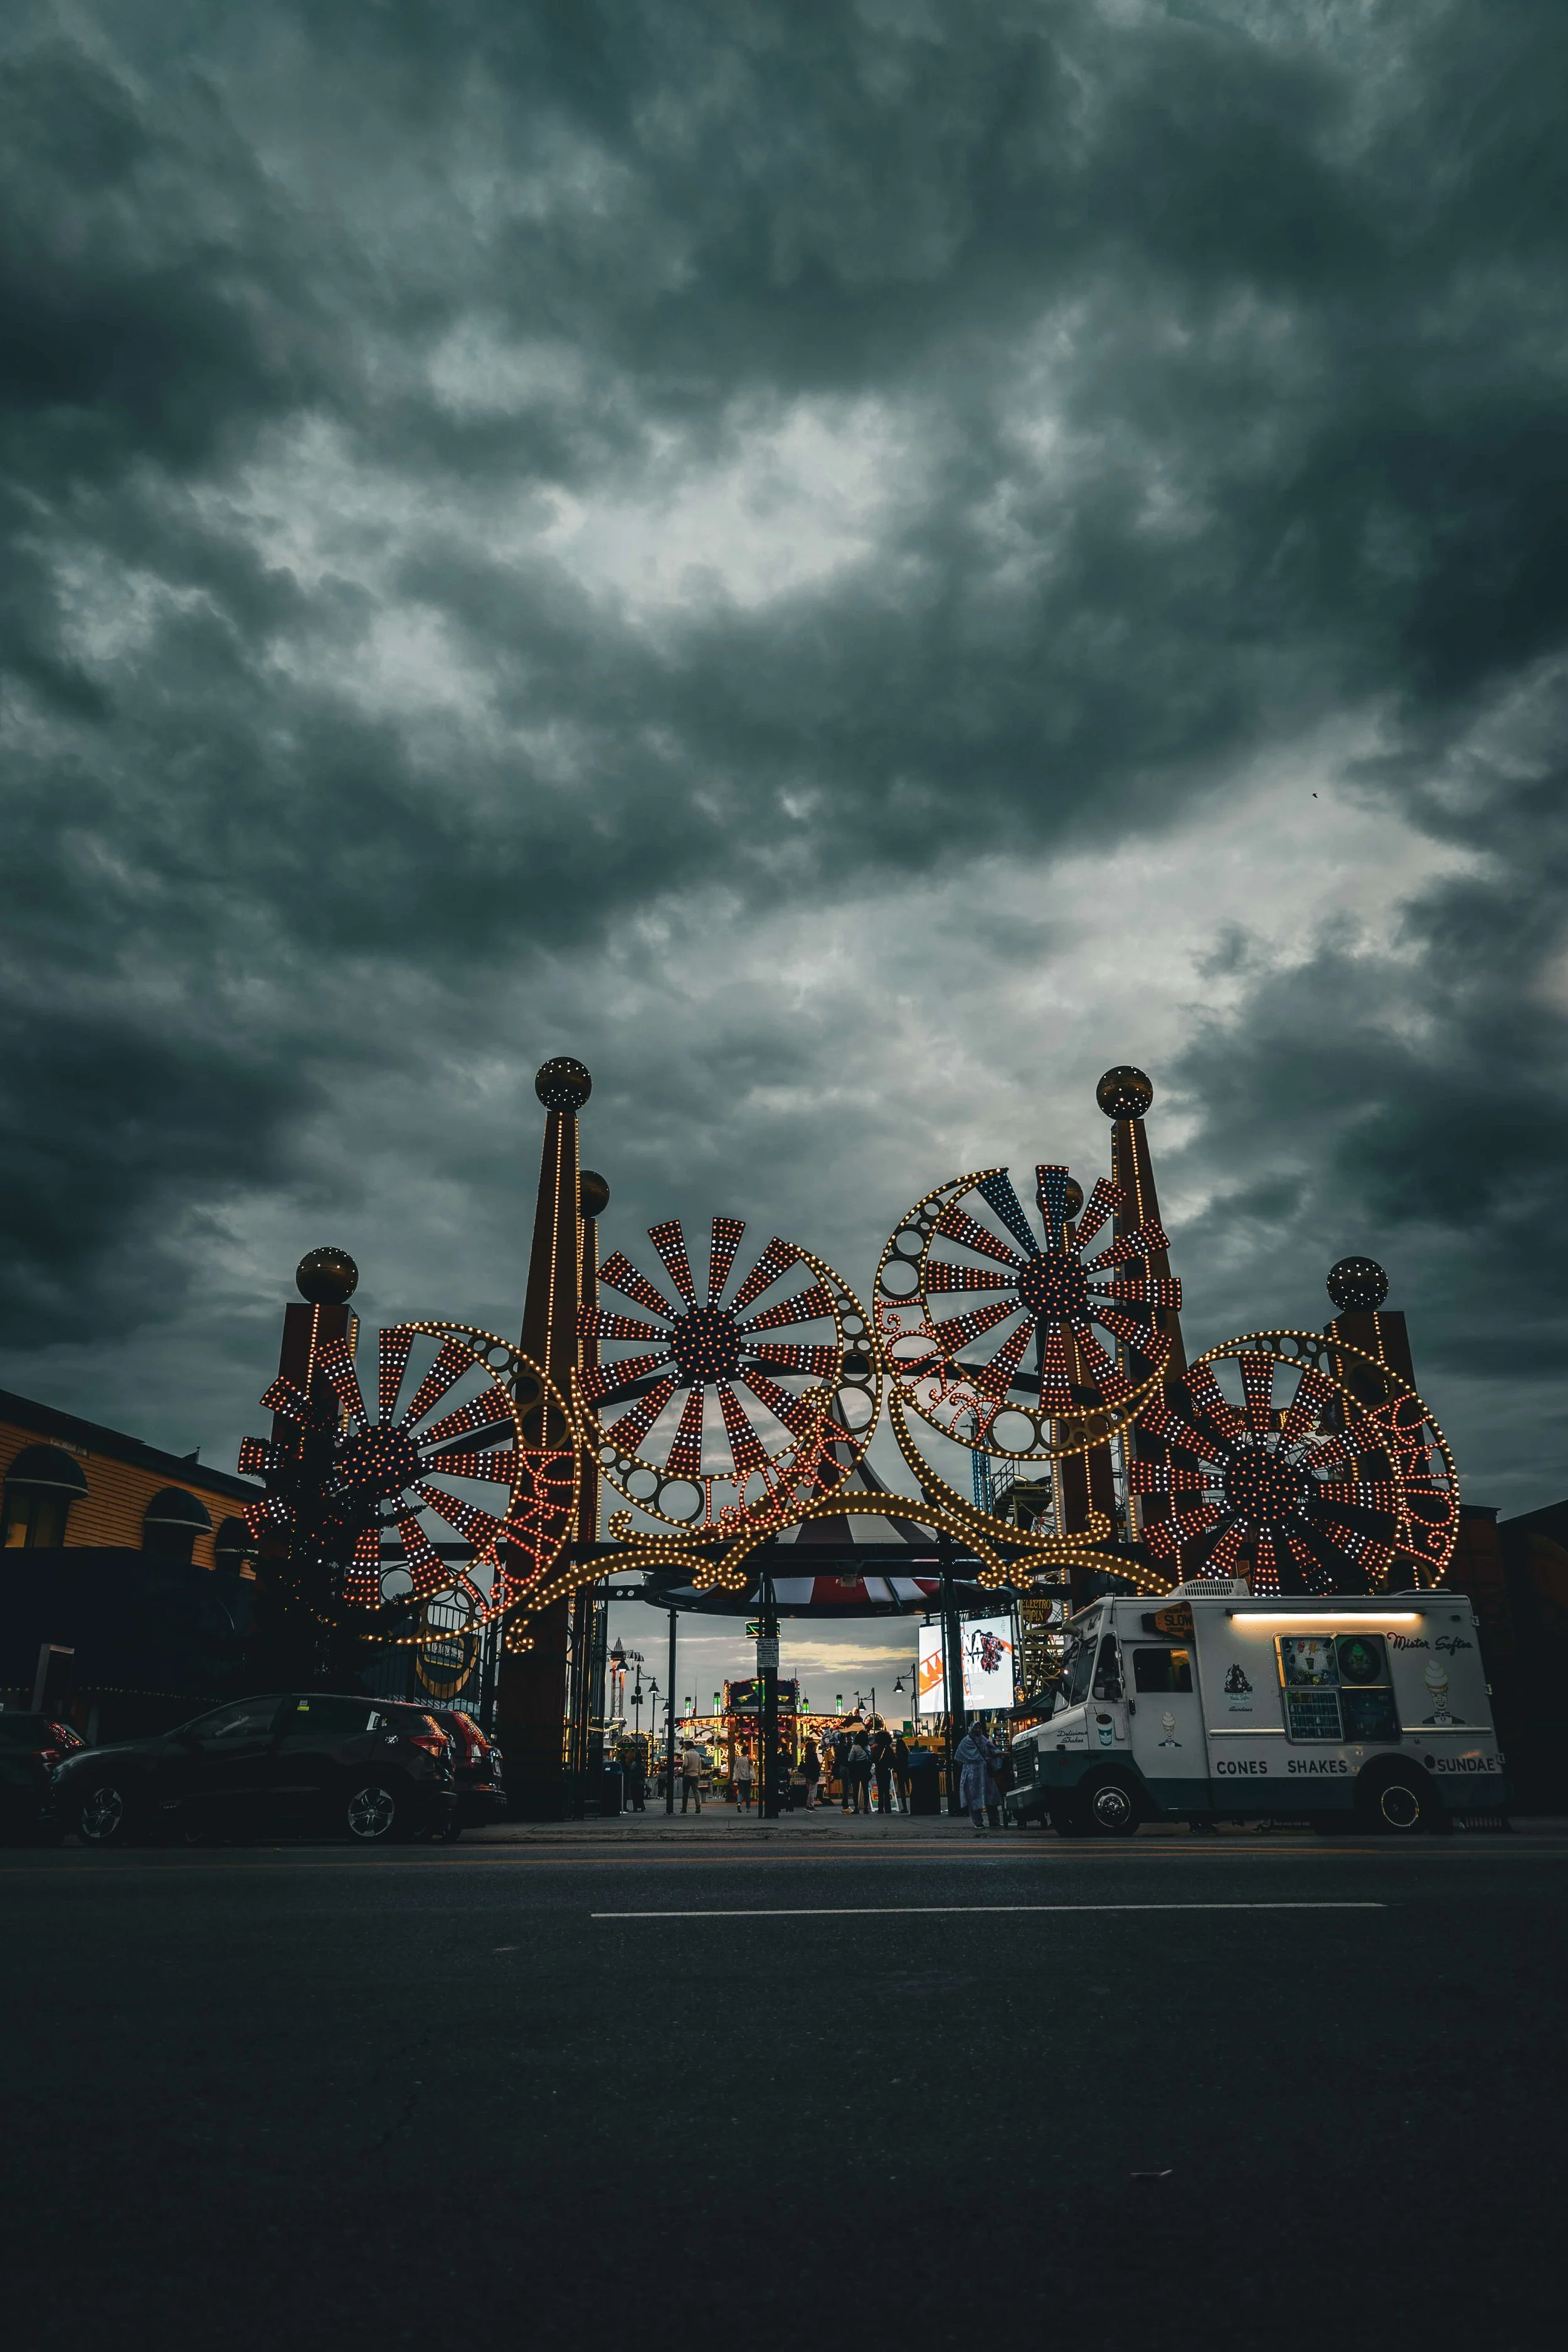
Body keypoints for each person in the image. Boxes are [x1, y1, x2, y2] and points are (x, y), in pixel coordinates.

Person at [954, 1719, 1000, 1832]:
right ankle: (979, 1822)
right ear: (972, 1729)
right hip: (973, 1775)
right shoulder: (966, 1742)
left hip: (983, 1773)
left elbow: (993, 1750)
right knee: (976, 1798)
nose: (978, 1730)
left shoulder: (983, 1740)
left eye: (979, 1728)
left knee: (989, 1797)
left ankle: (994, 1821)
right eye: (976, 1728)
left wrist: (1002, 1753)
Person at [869, 1725, 894, 1818]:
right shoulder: (889, 1749)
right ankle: (888, 1808)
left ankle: (880, 1808)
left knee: (880, 1790)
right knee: (887, 1790)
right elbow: (893, 1760)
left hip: (879, 1770)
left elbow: (873, 1759)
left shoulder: (876, 1749)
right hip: (887, 1770)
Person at [845, 1731, 870, 1814]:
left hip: (856, 1769)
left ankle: (856, 1808)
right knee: (865, 1789)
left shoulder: (855, 1747)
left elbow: (851, 1759)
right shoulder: (867, 1747)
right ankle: (866, 1808)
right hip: (865, 1769)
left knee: (855, 1789)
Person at [623, 1738, 647, 1814]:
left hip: (634, 1782)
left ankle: (635, 1807)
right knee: (640, 1795)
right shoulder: (642, 1765)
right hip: (641, 1782)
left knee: (634, 1796)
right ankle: (642, 1806)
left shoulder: (634, 1764)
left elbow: (631, 1770)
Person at [681, 1739, 704, 1814]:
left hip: (688, 1775)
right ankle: (698, 1807)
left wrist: (683, 1769)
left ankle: (684, 1808)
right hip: (696, 1775)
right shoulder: (698, 1754)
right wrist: (699, 1774)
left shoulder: (687, 1754)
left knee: (685, 1793)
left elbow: (685, 1764)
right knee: (696, 1792)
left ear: (688, 1746)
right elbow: (700, 1766)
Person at [893, 1733, 912, 1815]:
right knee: (910, 1789)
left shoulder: (897, 1755)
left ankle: (905, 1808)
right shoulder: (907, 1754)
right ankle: (913, 1805)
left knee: (902, 1791)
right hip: (907, 1772)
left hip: (900, 1773)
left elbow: (895, 1765)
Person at [801, 1735, 822, 1808]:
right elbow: (815, 1766)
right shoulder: (813, 1755)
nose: (816, 1748)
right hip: (813, 1776)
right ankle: (810, 1805)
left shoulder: (807, 1756)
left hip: (809, 1775)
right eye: (815, 1747)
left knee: (810, 1791)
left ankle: (809, 1804)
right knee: (812, 1792)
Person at [734, 1746, 755, 1811]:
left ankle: (739, 1803)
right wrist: (753, 1778)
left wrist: (736, 1777)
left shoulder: (738, 1759)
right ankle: (748, 1808)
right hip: (748, 1779)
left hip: (741, 1779)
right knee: (748, 1793)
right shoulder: (749, 1759)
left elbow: (736, 1769)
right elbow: (751, 1769)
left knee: (740, 1792)